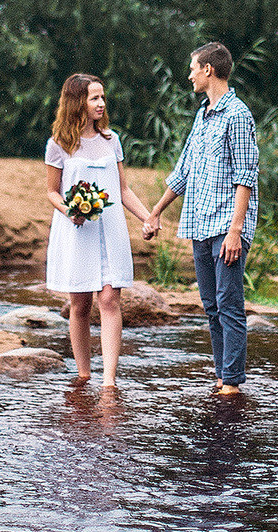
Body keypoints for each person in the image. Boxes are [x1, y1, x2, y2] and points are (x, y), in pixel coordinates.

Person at [144, 42, 258, 397]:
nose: (189, 74)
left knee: (228, 302)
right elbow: (184, 170)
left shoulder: (238, 115)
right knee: (211, 306)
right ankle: (223, 377)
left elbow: (246, 176)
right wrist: (156, 210)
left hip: (227, 227)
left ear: (209, 69)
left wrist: (236, 231)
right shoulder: (202, 115)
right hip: (200, 223)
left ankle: (233, 383)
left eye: (193, 67)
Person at [44, 73, 155, 387]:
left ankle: (109, 380)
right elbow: (52, 191)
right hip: (77, 232)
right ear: (77, 101)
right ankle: (83, 374)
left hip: (110, 230)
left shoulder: (112, 140)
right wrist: (71, 211)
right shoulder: (59, 144)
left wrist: (148, 217)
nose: (101, 104)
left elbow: (122, 190)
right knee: (80, 305)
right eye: (94, 98)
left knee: (109, 300)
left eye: (102, 97)